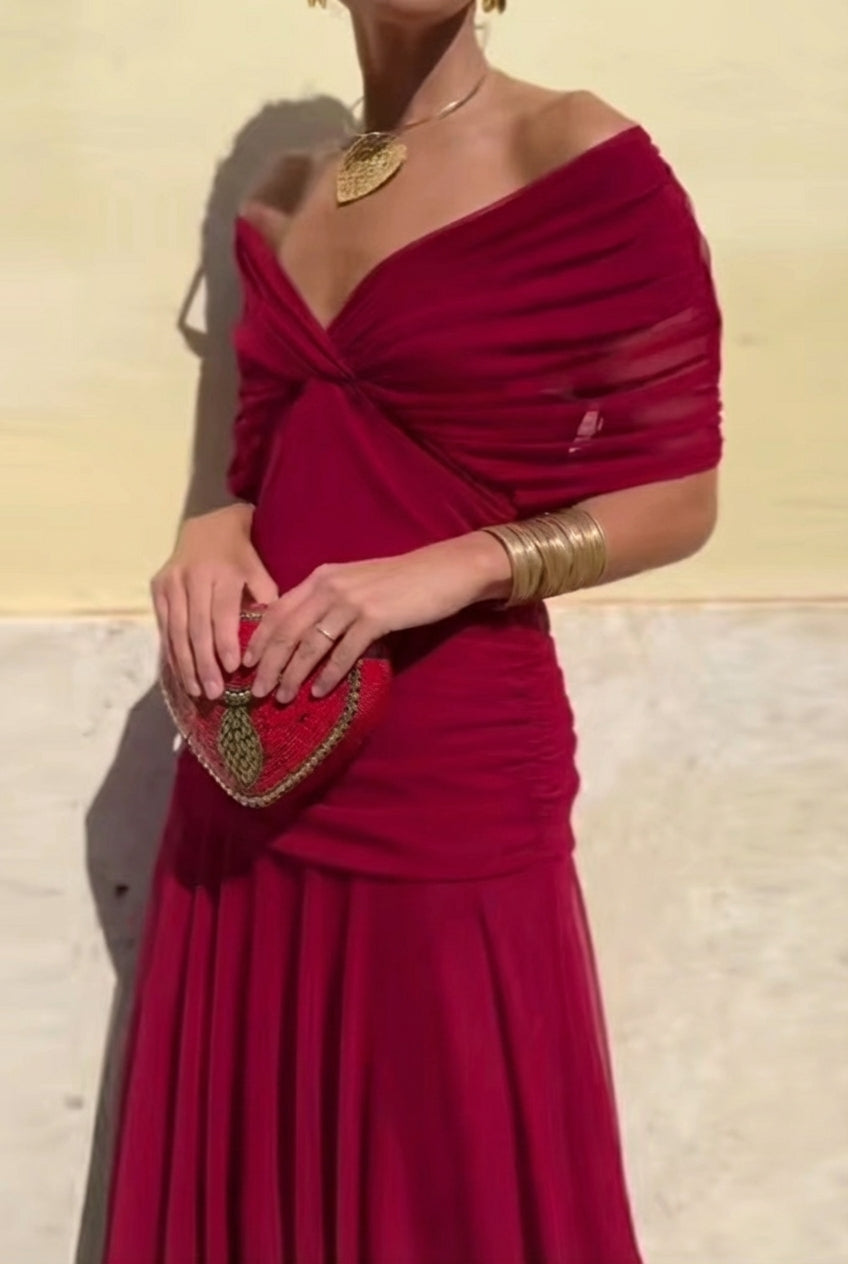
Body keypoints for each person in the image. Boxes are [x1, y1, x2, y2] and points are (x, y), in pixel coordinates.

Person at [103, 1, 723, 1261]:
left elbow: (677, 499)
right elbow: (259, 463)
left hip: (447, 768)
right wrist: (209, 526)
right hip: (252, 749)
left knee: (452, 1181)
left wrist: (446, 569)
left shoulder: (573, 154)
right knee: (260, 1173)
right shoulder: (283, 199)